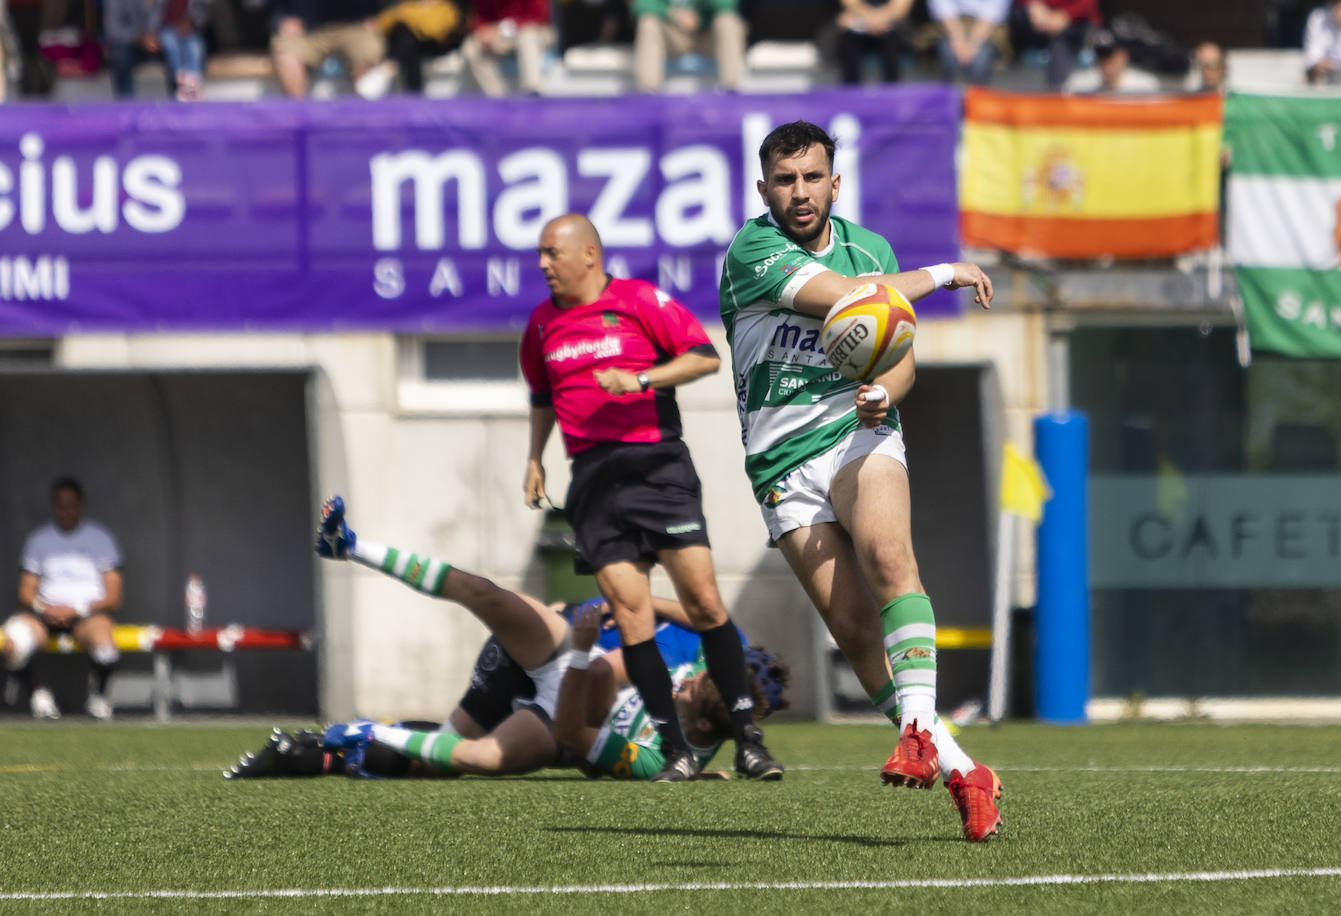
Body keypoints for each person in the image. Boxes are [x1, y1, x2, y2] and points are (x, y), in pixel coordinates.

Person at [717, 120, 1002, 841]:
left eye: (813, 177)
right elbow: (854, 298)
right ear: (764, 189)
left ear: (835, 182)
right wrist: (945, 273)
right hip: (781, 460)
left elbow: (897, 353)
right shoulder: (754, 250)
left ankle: (913, 734)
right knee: (851, 629)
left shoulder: (870, 245)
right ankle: (964, 767)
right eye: (785, 180)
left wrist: (887, 394)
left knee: (887, 558)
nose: (800, 192)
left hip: (856, 432)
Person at [226, 496, 788, 780]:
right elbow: (623, 660)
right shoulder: (705, 662)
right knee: (487, 595)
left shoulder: (659, 759)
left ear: (707, 724)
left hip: (557, 710)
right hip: (558, 660)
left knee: (473, 756)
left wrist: (584, 655)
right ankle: (349, 546)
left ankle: (343, 741)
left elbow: (576, 718)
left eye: (691, 689)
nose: (684, 681)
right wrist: (615, 621)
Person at [520, 213, 781, 782]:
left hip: (656, 466)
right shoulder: (541, 325)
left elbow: (705, 357)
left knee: (706, 603)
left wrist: (640, 380)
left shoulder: (639, 300)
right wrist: (536, 457)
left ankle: (749, 741)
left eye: (551, 254)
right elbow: (543, 396)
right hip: (591, 479)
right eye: (539, 255)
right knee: (632, 618)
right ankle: (676, 750)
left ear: (589, 254)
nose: (543, 265)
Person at [2, 477, 122, 720]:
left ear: (81, 505)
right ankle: (38, 695)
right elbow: (25, 591)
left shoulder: (101, 539)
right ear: (54, 506)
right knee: (8, 642)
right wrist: (44, 607)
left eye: (71, 505)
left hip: (86, 616)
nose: (66, 511)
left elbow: (114, 597)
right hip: (44, 615)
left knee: (105, 642)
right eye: (61, 505)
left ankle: (99, 697)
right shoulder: (39, 540)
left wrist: (76, 609)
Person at [269, 0, 385, 98]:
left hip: (354, 25)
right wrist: (282, 18)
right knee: (286, 52)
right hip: (306, 29)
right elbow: (276, 6)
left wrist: (373, 14)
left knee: (368, 49)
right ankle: (298, 117)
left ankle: (365, 118)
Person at [632, 0, 746, 92]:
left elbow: (727, 5)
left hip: (707, 37)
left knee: (728, 21)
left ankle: (731, 90)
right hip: (674, 37)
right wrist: (674, 14)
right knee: (648, 23)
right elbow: (640, 5)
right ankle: (648, 93)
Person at [355, 0, 462, 96]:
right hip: (408, 45)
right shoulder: (410, 5)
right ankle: (413, 92)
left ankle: (390, 66)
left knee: (407, 38)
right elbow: (386, 22)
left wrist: (411, 20)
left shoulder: (446, 8)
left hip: (432, 46)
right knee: (407, 40)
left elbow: (432, 30)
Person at [459, 0, 552, 96]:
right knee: (470, 48)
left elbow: (536, 17)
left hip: (536, 31)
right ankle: (498, 98)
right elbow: (479, 17)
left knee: (528, 36)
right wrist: (483, 31)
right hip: (500, 34)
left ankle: (532, 93)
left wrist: (501, 29)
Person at [1009, 0, 1100, 91]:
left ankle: (1057, 92)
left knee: (1059, 40)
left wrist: (1067, 14)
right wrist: (1033, 4)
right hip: (1037, 20)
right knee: (1019, 16)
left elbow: (1088, 4)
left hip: (1075, 23)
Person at [928, 0, 1009, 85]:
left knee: (979, 63)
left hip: (987, 26)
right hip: (949, 23)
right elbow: (942, 8)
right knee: (950, 57)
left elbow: (993, 12)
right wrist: (958, 39)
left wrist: (973, 43)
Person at [835, 0, 913, 85]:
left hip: (890, 25)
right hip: (856, 25)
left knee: (892, 45)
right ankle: (850, 92)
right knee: (848, 44)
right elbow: (851, 4)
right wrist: (870, 20)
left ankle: (892, 93)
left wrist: (876, 19)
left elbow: (900, 9)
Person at [1063, 28, 1159, 94]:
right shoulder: (1080, 85)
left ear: (1123, 56)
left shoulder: (1144, 87)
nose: (1105, 61)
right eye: (1101, 55)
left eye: (1109, 55)